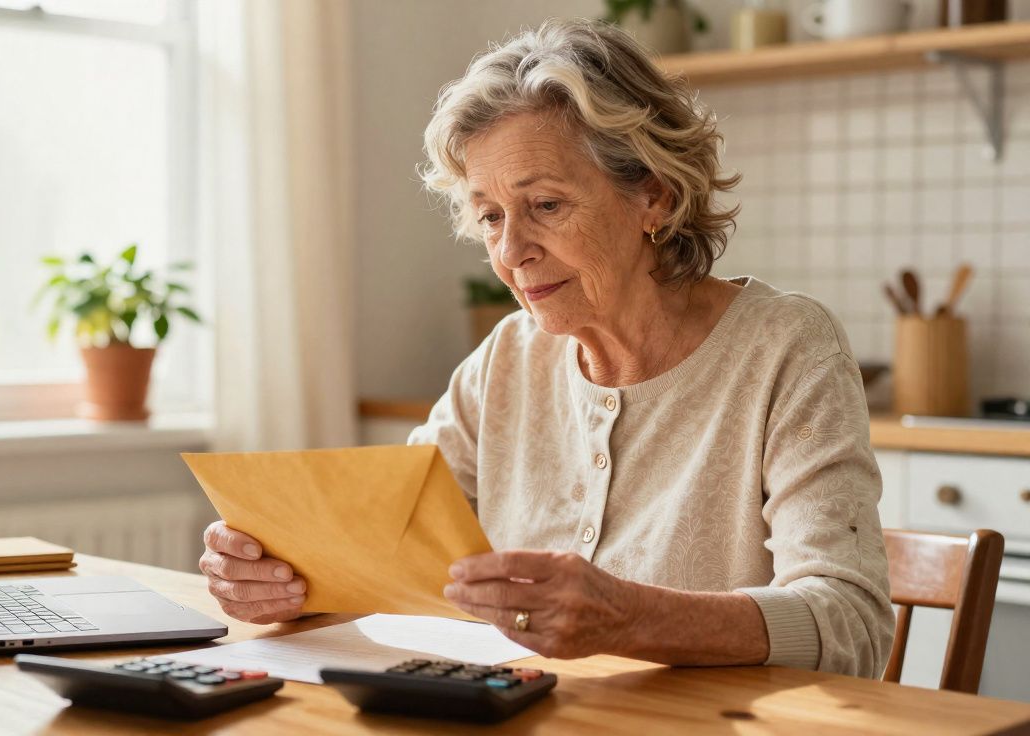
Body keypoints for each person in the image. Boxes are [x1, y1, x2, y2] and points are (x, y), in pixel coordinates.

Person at [200, 17, 893, 678]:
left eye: (547, 206)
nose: (510, 253)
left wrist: (633, 618)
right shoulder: (508, 358)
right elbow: (385, 542)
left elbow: (851, 624)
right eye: (490, 216)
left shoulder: (787, 348)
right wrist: (284, 579)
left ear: (653, 195)